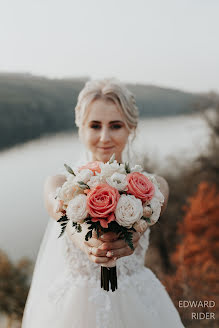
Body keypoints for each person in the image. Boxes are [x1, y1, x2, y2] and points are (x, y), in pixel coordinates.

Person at [22, 78, 184, 327]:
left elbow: (153, 208)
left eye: (116, 125)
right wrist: (84, 238)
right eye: (95, 126)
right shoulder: (58, 183)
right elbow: (58, 206)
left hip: (138, 303)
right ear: (81, 129)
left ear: (131, 128)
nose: (104, 137)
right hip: (74, 310)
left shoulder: (154, 185)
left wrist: (136, 231)